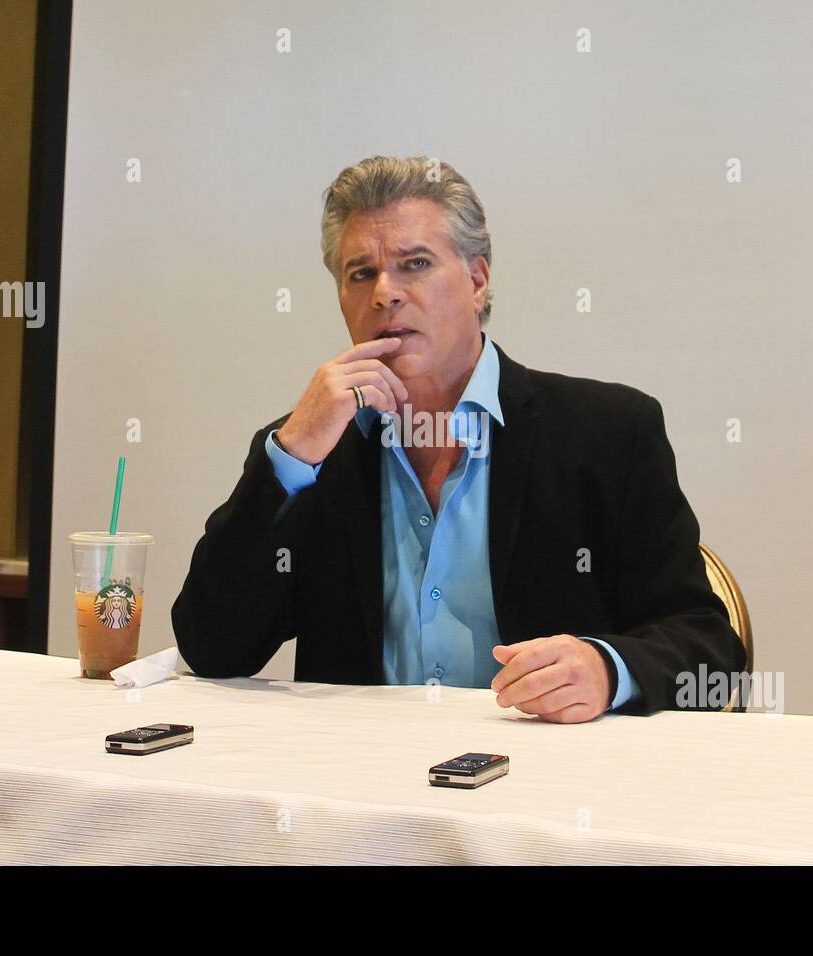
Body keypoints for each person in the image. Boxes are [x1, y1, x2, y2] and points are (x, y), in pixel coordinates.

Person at [172, 155, 745, 722]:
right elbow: (213, 647)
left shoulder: (609, 434)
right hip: (363, 788)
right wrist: (292, 456)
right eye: (360, 273)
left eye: (414, 264)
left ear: (477, 279)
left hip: (550, 787)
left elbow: (712, 655)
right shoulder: (311, 453)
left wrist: (605, 668)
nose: (384, 294)